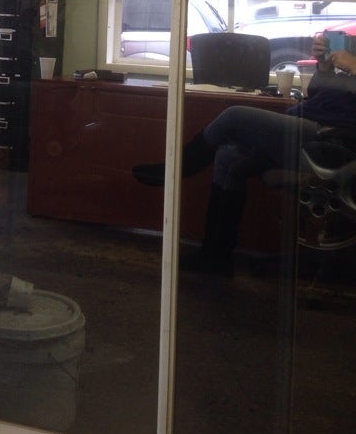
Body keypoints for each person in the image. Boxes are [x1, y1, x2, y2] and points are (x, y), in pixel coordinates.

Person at [132, 34, 356, 275]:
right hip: (309, 124)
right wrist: (324, 67)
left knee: (234, 116)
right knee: (228, 157)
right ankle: (214, 257)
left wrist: (354, 66)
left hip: (332, 139)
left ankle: (177, 170)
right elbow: (322, 97)